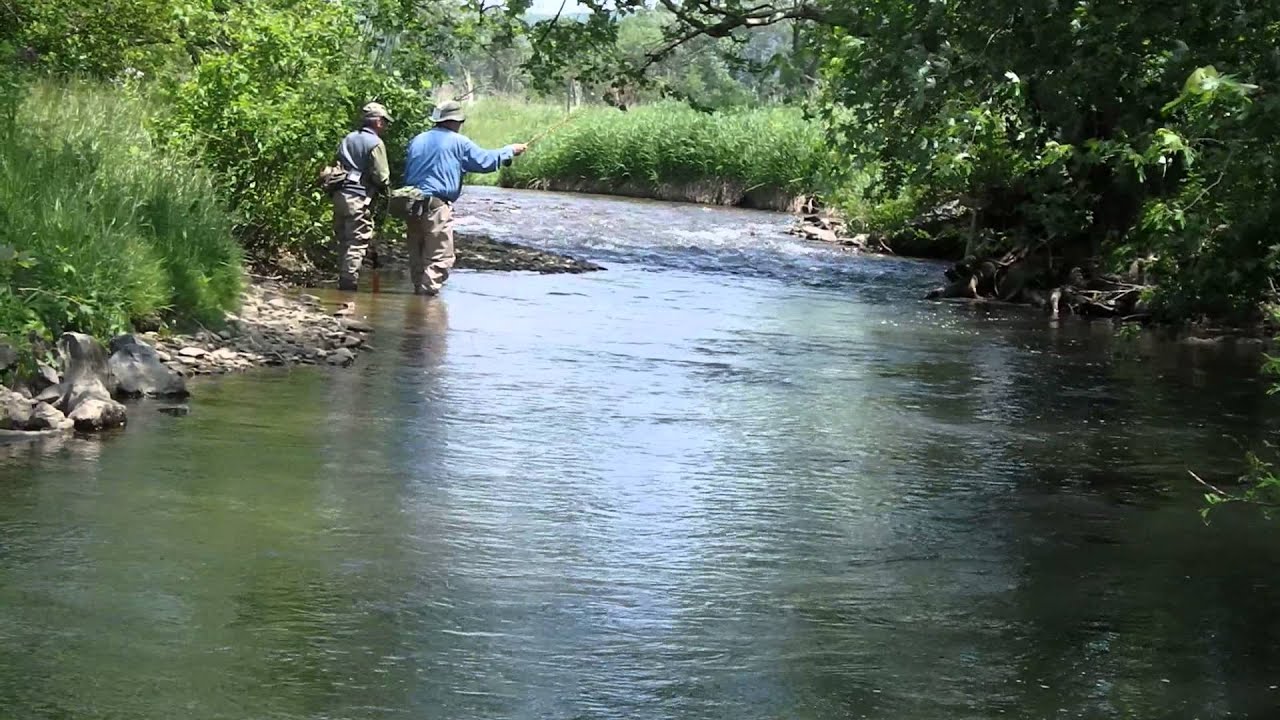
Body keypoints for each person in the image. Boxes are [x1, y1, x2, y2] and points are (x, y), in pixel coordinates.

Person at [401, 101, 527, 296]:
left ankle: (415, 306)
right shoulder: (459, 142)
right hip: (436, 207)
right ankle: (425, 311)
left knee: (418, 256)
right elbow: (484, 161)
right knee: (439, 259)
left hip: (410, 205)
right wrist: (509, 151)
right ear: (454, 121)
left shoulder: (417, 139)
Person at [332, 102, 393, 291]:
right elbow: (382, 177)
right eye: (384, 121)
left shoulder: (348, 138)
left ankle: (342, 280)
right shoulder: (375, 143)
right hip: (360, 197)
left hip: (340, 194)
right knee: (356, 242)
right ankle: (348, 285)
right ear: (376, 121)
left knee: (343, 238)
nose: (385, 125)